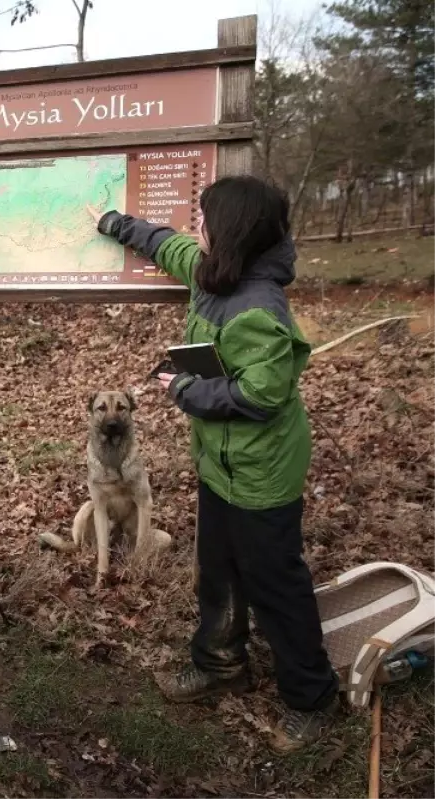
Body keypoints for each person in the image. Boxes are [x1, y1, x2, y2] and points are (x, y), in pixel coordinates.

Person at [88, 175, 341, 754]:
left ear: (230, 231)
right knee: (218, 569)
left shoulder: (260, 307)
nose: (194, 225)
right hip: (219, 463)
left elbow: (260, 395)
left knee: (274, 582)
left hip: (261, 471)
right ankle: (221, 662)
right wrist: (115, 224)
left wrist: (184, 389)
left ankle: (311, 695)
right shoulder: (212, 271)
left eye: (203, 218)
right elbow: (169, 245)